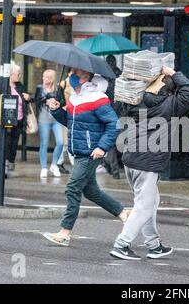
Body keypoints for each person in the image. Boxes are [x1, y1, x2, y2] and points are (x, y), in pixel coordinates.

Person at [110, 66, 189, 260]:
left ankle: (154, 245)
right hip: (147, 162)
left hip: (131, 159)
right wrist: (174, 73)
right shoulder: (169, 105)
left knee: (150, 202)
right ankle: (121, 245)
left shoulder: (136, 100)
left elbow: (120, 105)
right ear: (170, 89)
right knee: (144, 206)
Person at [42, 68, 130, 246]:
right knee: (91, 191)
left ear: (87, 77)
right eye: (71, 72)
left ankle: (64, 233)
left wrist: (102, 147)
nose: (72, 76)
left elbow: (113, 124)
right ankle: (122, 213)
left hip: (91, 152)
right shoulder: (75, 98)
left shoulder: (98, 98)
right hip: (80, 150)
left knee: (73, 188)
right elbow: (71, 122)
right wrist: (57, 110)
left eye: (76, 73)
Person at [0, 61, 31, 178]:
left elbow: (24, 100)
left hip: (18, 120)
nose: (19, 76)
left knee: (14, 144)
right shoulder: (1, 84)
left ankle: (10, 168)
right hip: (6, 120)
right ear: (11, 74)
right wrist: (3, 101)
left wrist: (28, 98)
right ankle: (3, 169)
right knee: (6, 144)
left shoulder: (20, 86)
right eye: (18, 74)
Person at [33, 70, 64, 178]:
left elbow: (63, 101)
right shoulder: (40, 88)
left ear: (51, 79)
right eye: (43, 76)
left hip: (56, 119)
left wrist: (58, 103)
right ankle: (43, 168)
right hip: (44, 119)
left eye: (46, 77)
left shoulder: (58, 88)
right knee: (44, 143)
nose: (44, 79)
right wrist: (45, 100)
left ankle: (54, 165)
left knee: (60, 142)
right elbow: (36, 100)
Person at [103, 55, 122, 179]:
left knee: (109, 141)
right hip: (120, 112)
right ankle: (113, 166)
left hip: (107, 112)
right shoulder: (120, 76)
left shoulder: (103, 77)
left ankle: (111, 166)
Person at [57, 70, 75, 174]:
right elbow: (59, 99)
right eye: (72, 72)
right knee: (65, 141)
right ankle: (59, 162)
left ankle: (64, 162)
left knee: (70, 140)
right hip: (65, 113)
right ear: (68, 73)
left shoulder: (78, 84)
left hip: (74, 113)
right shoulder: (63, 84)